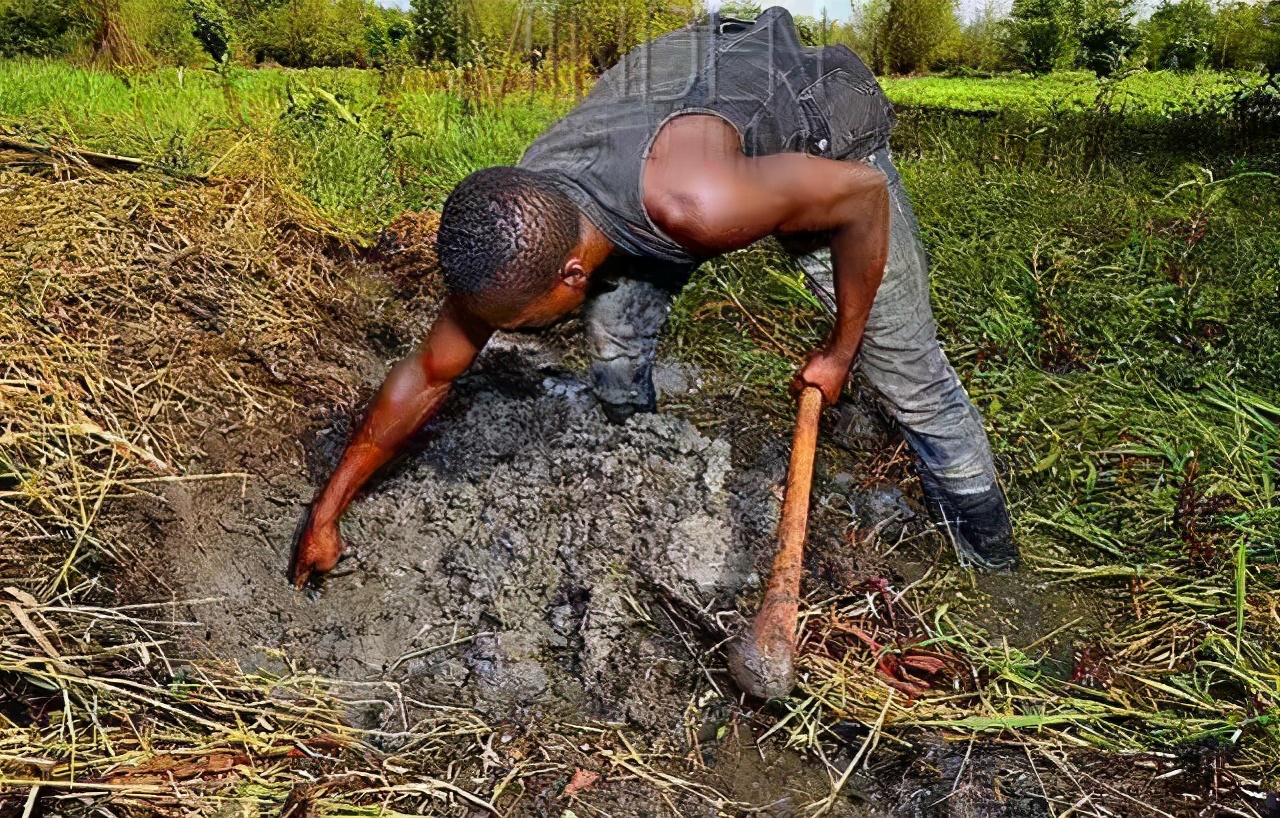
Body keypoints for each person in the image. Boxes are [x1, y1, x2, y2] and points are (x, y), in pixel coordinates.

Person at [289, 6, 1017, 587]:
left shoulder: (700, 202)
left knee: (911, 377)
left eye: (519, 324)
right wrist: (330, 506)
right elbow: (430, 370)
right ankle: (644, 467)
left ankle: (992, 564)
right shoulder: (524, 211)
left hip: (818, 126)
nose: (503, 336)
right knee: (615, 340)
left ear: (570, 272)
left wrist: (840, 348)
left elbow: (859, 200)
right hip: (680, 93)